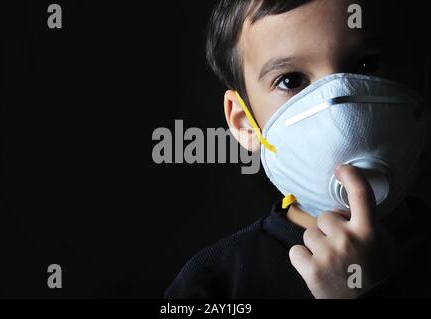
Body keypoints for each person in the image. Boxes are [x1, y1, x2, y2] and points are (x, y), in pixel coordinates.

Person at [165, 0, 431, 298]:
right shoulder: (212, 286)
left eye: (365, 65)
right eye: (291, 80)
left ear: (419, 80)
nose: (338, 110)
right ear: (244, 123)